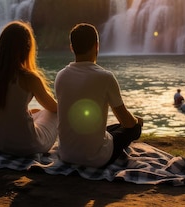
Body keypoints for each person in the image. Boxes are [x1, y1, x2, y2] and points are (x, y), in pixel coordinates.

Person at [55, 23, 143, 168]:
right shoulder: (105, 77)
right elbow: (127, 122)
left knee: (114, 128)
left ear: (72, 47)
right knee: (134, 128)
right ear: (97, 46)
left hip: (65, 154)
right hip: (95, 158)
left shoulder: (60, 76)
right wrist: (137, 121)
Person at [0, 21, 58, 156]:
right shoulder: (29, 78)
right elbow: (54, 108)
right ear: (27, 48)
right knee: (54, 114)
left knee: (36, 111)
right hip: (28, 145)